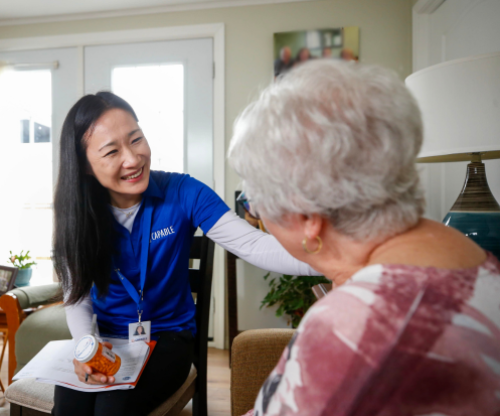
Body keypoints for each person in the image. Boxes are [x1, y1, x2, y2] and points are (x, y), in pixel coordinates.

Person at [228, 60, 500, 415]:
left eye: (254, 201)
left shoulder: (352, 329)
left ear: (308, 216)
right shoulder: (462, 249)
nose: (257, 215)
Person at [51, 92, 319, 416]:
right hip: (107, 339)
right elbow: (76, 297)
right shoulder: (77, 215)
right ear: (86, 167)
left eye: (136, 139)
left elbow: (251, 244)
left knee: (112, 408)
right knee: (69, 407)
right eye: (111, 151)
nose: (133, 159)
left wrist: (334, 260)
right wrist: (87, 345)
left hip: (169, 339)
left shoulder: (183, 191)